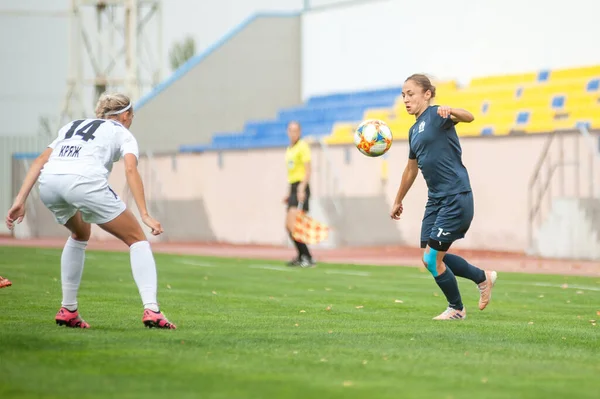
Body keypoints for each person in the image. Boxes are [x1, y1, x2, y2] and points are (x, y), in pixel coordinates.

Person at [5, 92, 176, 329]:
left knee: (79, 233)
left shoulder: (72, 125)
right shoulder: (122, 133)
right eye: (132, 115)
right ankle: (152, 310)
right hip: (84, 182)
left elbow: (39, 162)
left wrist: (20, 199)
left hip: (50, 183)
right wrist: (145, 214)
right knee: (137, 239)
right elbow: (130, 170)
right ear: (126, 115)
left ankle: (69, 309)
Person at [390, 74, 497, 320]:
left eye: (411, 94)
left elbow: (469, 117)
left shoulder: (439, 115)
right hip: (435, 200)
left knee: (432, 257)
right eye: (403, 95)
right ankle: (482, 277)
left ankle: (457, 309)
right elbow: (411, 169)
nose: (406, 99)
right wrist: (398, 199)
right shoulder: (413, 130)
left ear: (427, 94)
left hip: (455, 196)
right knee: (430, 259)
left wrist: (453, 111)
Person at [283, 121, 316, 267]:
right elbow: (291, 173)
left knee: (294, 225)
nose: (293, 133)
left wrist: (302, 188)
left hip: (300, 187)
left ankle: (307, 257)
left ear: (300, 131)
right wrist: (288, 194)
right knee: (289, 226)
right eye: (291, 130)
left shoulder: (303, 147)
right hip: (293, 188)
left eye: (296, 130)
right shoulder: (289, 149)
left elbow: (307, 170)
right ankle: (302, 255)